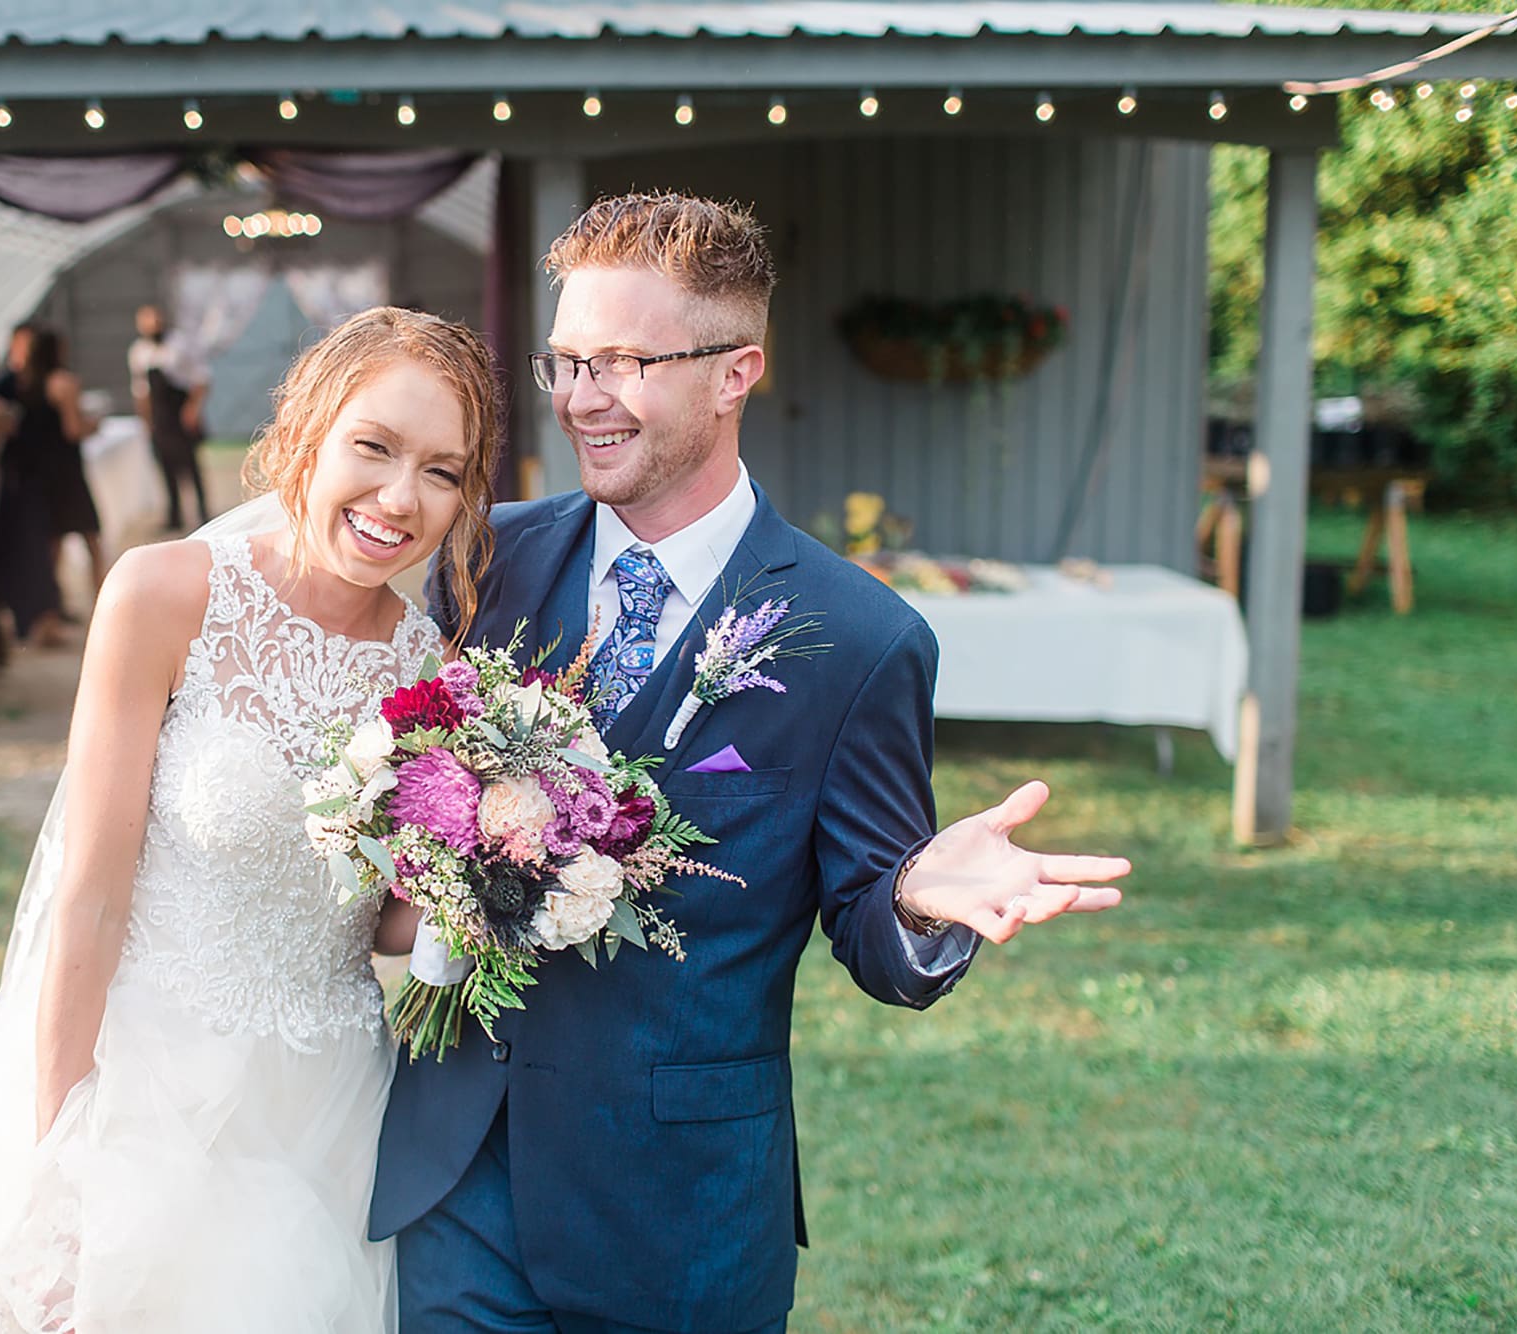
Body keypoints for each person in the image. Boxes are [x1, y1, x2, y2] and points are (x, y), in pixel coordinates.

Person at [372, 192, 1132, 1333]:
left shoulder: (860, 639)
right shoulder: (485, 558)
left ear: (735, 371)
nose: (584, 398)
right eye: (567, 360)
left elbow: (870, 933)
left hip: (676, 1221)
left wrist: (919, 901)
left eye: (624, 361)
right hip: (458, 1185)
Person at [0, 307, 503, 1333]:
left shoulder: (430, 671)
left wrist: (483, 885)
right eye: (372, 447)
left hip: (330, 1099)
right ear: (303, 433)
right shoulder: (164, 594)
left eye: (441, 470)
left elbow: (379, 916)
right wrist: (56, 1169)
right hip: (145, 1081)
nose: (400, 497)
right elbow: (90, 898)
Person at [0, 326, 99, 649]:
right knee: (91, 539)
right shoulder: (63, 382)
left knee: (47, 546)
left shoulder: (18, 384)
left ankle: (50, 611)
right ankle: (101, 607)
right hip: (65, 471)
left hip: (33, 477)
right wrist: (93, 424)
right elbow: (73, 429)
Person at [129, 303, 212, 531]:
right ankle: (173, 515)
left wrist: (193, 408)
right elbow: (140, 390)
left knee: (190, 465)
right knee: (165, 466)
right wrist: (146, 420)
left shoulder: (180, 345)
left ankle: (203, 512)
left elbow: (201, 379)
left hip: (179, 411)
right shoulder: (139, 352)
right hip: (159, 415)